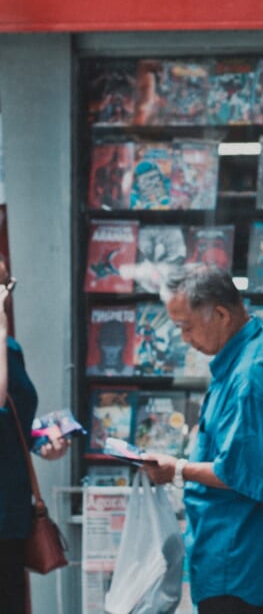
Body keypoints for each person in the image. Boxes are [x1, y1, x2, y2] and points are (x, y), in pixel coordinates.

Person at [142, 264, 263, 614]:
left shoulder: (252, 374)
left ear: (219, 314)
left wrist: (177, 469)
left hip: (239, 554)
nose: (185, 339)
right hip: (248, 550)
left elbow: (242, 474)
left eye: (186, 327)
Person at [0, 256, 69, 614]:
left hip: (11, 512)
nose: (7, 297)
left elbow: (13, 419)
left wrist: (43, 441)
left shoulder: (10, 350)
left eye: (8, 286)